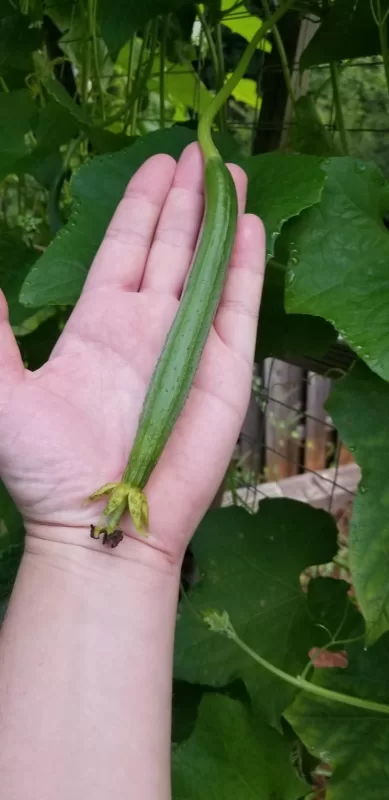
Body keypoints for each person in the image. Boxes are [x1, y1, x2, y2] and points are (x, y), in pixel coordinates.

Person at [0, 142, 265, 799]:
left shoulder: (116, 501)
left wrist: (81, 546)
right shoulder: (112, 495)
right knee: (218, 221)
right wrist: (83, 543)